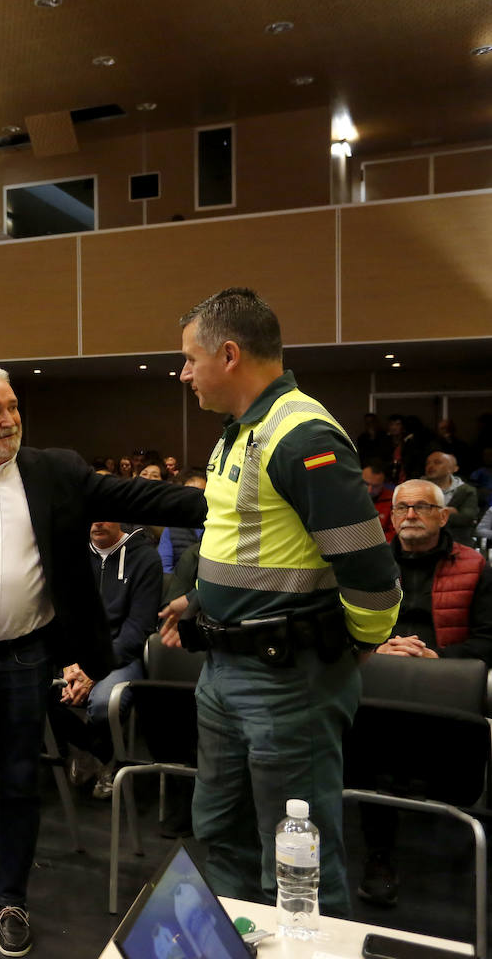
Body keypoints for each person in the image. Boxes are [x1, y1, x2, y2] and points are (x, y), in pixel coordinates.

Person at [0, 361, 204, 958]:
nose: (9, 420)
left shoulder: (55, 470)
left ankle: (10, 896)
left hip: (27, 658)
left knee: (21, 784)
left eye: (13, 406)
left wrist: (225, 505)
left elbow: (137, 494)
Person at [160, 288, 400, 916]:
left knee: (298, 864)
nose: (183, 373)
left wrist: (354, 648)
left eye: (189, 359)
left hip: (288, 680)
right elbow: (247, 543)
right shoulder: (240, 432)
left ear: (230, 354)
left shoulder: (301, 435)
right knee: (223, 833)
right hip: (226, 669)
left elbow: (371, 573)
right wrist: (200, 599)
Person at [356, 477, 492, 907]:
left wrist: (439, 660)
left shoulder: (475, 566)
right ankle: (379, 853)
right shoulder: (369, 565)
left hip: (448, 685)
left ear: (444, 515)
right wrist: (379, 647)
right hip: (379, 679)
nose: (411, 515)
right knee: (364, 738)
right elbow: (344, 627)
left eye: (422, 507)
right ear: (391, 517)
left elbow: (489, 639)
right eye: (402, 508)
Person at [54, 520, 164, 800]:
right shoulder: (71, 554)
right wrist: (70, 663)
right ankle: (96, 751)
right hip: (73, 656)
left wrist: (92, 669)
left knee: (104, 704)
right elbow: (59, 617)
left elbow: (138, 628)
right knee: (31, 688)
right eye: (89, 514)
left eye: (105, 513)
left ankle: (98, 754)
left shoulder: (145, 558)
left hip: (121, 654)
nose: (97, 522)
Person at [157, 471, 208, 573]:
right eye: (189, 495)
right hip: (179, 584)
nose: (194, 500)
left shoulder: (217, 527)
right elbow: (164, 568)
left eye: (200, 494)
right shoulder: (172, 528)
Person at [424, 451, 478, 546]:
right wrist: (446, 512)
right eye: (428, 463)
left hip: (456, 543)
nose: (430, 466)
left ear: (452, 469)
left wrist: (429, 512)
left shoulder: (467, 491)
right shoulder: (414, 487)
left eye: (437, 462)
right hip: (422, 541)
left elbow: (466, 519)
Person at [361, 459, 396, 543]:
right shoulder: (347, 496)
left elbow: (394, 533)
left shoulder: (394, 501)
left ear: (384, 484)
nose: (369, 490)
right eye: (365, 484)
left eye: (375, 486)